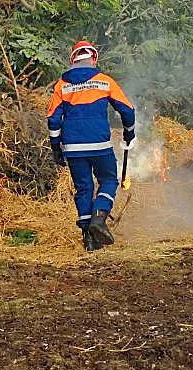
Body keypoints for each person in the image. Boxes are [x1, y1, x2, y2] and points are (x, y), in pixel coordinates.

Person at [47, 40, 136, 251]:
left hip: (73, 148)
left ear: (72, 60)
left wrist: (56, 147)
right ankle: (99, 217)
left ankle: (89, 240)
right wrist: (128, 133)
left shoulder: (63, 85)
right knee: (108, 180)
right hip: (99, 144)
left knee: (83, 188)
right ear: (94, 59)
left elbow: (52, 119)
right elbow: (128, 110)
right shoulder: (104, 81)